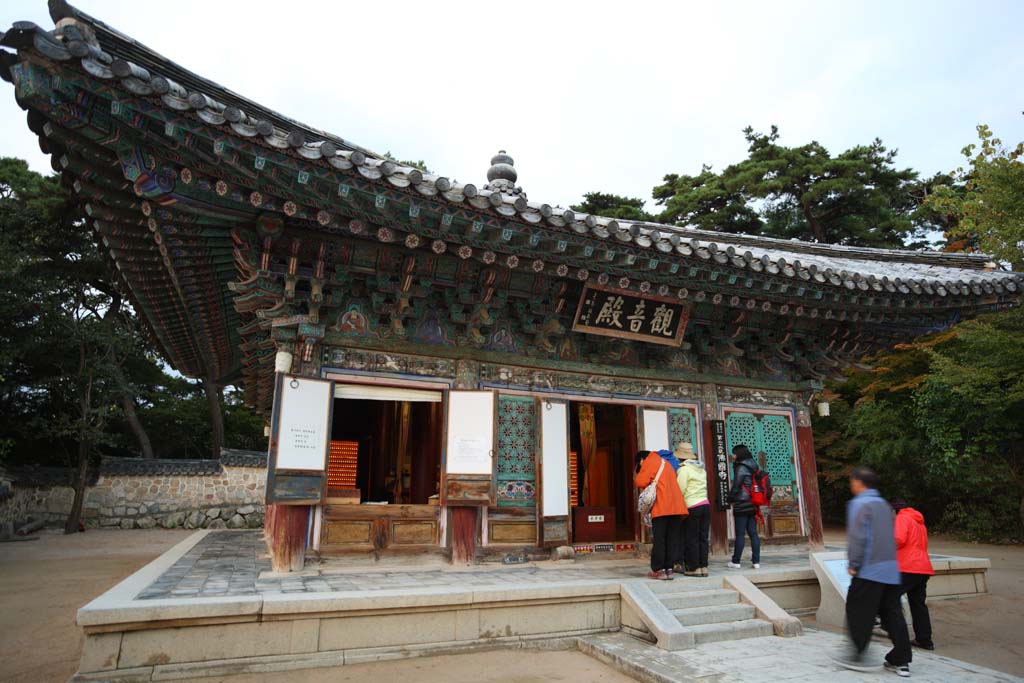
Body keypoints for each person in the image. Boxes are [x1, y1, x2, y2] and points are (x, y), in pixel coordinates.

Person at [834, 467, 912, 677]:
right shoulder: (884, 506)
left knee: (857, 610)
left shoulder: (859, 504)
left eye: (852, 481)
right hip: (890, 569)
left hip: (869, 569)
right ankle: (901, 660)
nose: (851, 485)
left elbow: (858, 538)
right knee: (892, 615)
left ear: (859, 483)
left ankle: (858, 655)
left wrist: (854, 564)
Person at [635, 449, 688, 580]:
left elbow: (640, 481)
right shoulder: (666, 463)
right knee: (672, 539)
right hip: (676, 506)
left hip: (662, 507)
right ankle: (669, 569)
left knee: (660, 539)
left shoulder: (650, 461)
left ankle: (658, 569)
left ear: (642, 460)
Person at [893, 500, 935, 651]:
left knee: (888, 597)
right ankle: (924, 640)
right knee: (918, 604)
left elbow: (898, 538)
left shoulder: (902, 517)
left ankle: (889, 628)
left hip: (908, 566)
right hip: (923, 567)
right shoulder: (919, 521)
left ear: (895, 510)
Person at [675, 442, 711, 577]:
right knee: (703, 538)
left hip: (692, 506)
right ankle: (704, 566)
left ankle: (693, 567)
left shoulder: (684, 470)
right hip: (705, 504)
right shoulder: (701, 469)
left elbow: (681, 490)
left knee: (691, 538)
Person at [726, 444, 761, 569]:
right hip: (753, 502)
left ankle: (736, 561)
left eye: (734, 453)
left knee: (740, 533)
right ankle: (756, 561)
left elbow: (736, 485)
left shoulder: (741, 467)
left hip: (741, 503)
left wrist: (729, 498)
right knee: (753, 533)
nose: (733, 455)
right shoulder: (754, 465)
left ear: (739, 454)